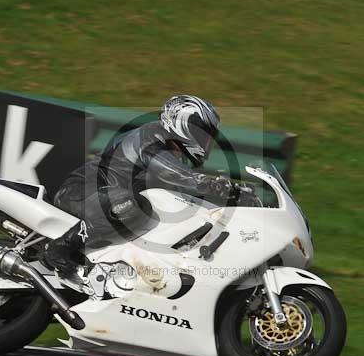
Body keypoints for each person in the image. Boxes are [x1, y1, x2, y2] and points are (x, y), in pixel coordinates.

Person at [43, 94, 246, 278]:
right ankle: (60, 247)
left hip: (107, 202)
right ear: (183, 123)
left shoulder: (176, 155)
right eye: (203, 133)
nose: (206, 142)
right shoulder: (151, 137)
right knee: (134, 206)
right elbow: (171, 171)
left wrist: (235, 197)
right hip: (81, 192)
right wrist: (210, 184)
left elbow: (185, 194)